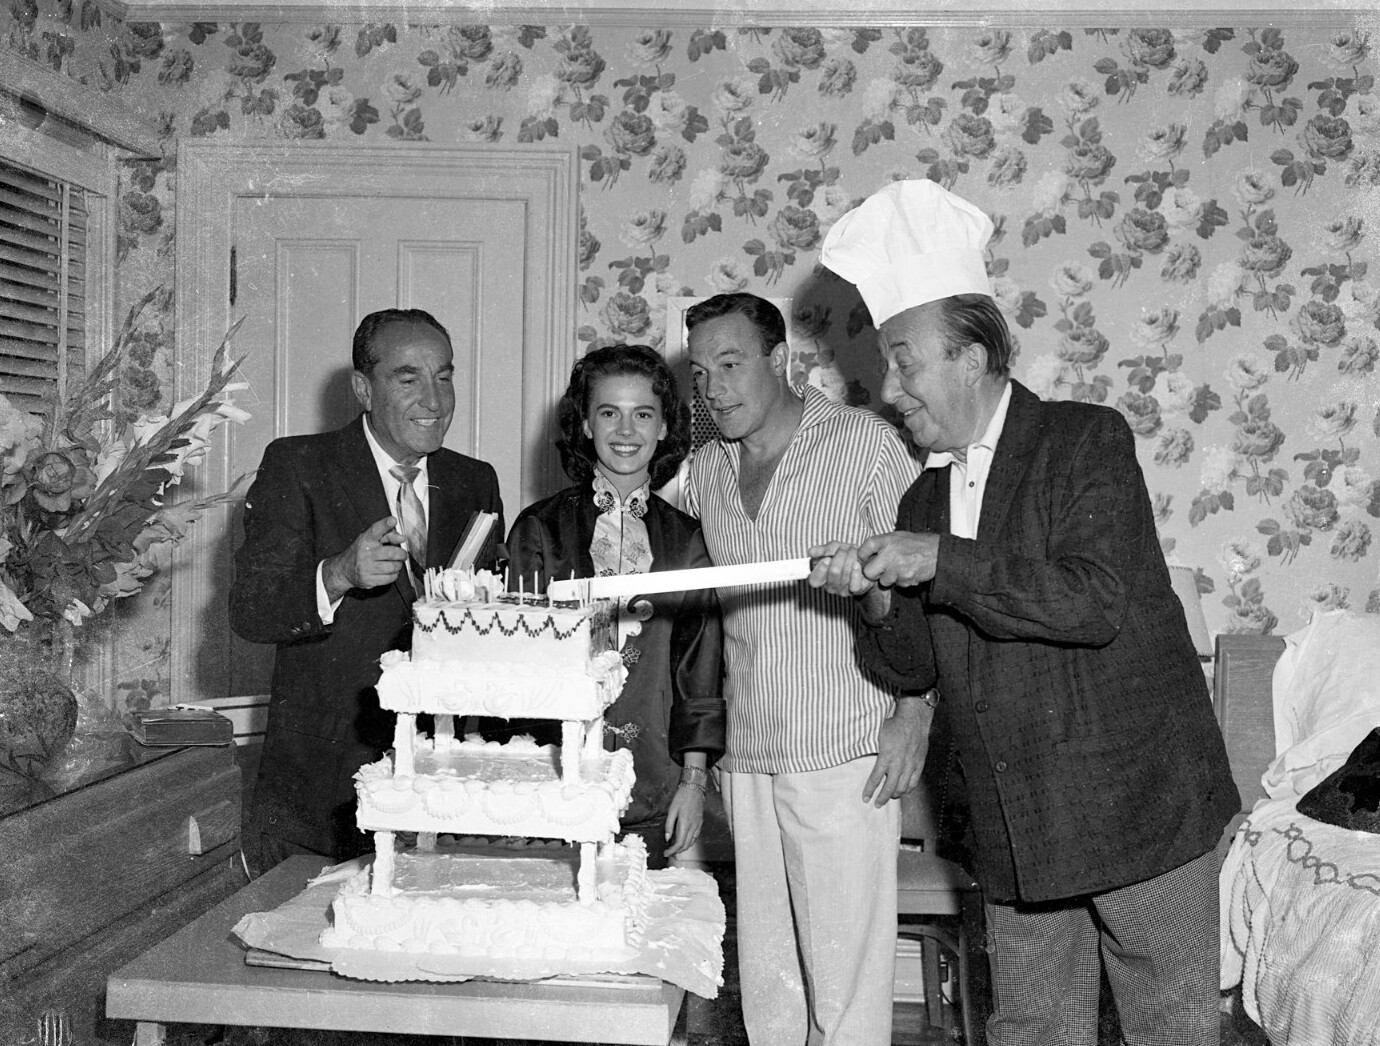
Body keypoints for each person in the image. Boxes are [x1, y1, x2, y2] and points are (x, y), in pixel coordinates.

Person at [811, 180, 1240, 1046]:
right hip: (1017, 820)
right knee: (1033, 1029)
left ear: (972, 356)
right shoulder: (923, 498)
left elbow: (1092, 600)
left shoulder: (1085, 440)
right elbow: (914, 666)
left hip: (1139, 807)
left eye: (904, 361)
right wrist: (877, 595)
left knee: (1172, 1029)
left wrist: (938, 560)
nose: (889, 388)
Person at [682, 292, 929, 1046]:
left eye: (731, 365)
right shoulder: (705, 470)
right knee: (770, 988)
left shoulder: (865, 444)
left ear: (780, 360)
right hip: (748, 755)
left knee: (844, 995)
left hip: (845, 748)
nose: (714, 388)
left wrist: (915, 710)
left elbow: (925, 593)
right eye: (701, 373)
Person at [230, 308, 504, 876]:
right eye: (408, 378)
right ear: (363, 388)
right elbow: (251, 612)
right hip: (323, 790)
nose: (435, 400)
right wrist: (337, 574)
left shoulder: (475, 480)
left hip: (441, 786)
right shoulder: (298, 464)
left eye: (444, 376)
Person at [501, 344, 726, 869]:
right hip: (551, 781)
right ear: (585, 423)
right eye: (609, 413)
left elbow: (700, 671)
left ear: (665, 427)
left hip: (654, 786)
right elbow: (514, 666)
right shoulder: (539, 528)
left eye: (643, 414)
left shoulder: (688, 540)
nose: (626, 431)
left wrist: (693, 783)